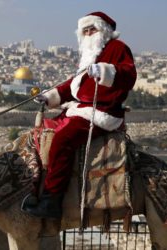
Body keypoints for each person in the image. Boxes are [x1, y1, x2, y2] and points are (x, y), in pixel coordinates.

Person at [23, 11, 137, 218]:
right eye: (85, 30)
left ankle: (52, 201)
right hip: (81, 109)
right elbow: (74, 86)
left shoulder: (118, 48)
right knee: (44, 131)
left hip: (102, 113)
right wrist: (49, 97)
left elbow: (129, 75)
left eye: (92, 29)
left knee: (62, 140)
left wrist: (104, 71)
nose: (88, 33)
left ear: (103, 30)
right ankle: (35, 186)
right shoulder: (90, 53)